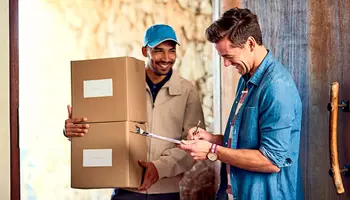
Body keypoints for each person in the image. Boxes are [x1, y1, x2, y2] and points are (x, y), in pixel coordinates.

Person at [64, 24, 205, 200]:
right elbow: (101, 126)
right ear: (145, 51)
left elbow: (194, 144)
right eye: (158, 50)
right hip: (125, 191)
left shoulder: (187, 91)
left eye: (171, 51)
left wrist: (159, 167)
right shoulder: (122, 85)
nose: (166, 58)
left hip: (166, 192)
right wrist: (73, 131)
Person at [179, 7, 303, 200]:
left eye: (228, 56)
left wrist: (213, 151)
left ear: (251, 43)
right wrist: (211, 138)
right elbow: (246, 140)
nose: (226, 65)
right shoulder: (245, 79)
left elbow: (271, 160)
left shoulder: (276, 87)